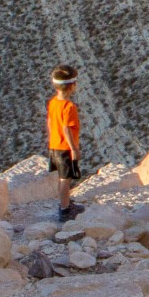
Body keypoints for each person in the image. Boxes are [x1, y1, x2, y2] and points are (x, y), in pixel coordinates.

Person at [46, 65, 85, 221]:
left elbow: (50, 122)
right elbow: (66, 129)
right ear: (72, 86)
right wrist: (74, 149)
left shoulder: (53, 102)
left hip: (55, 145)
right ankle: (65, 210)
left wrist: (52, 139)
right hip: (64, 148)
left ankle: (65, 203)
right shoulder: (69, 107)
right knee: (65, 179)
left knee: (62, 177)